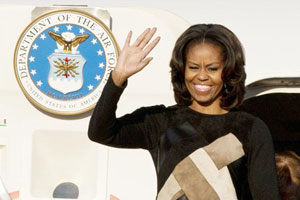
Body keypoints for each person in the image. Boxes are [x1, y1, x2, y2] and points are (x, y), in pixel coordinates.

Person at [88, 24, 281, 200]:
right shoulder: (160, 121)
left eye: (213, 68)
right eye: (193, 67)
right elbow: (101, 132)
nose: (202, 76)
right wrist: (117, 78)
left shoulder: (251, 129)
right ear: (182, 70)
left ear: (229, 71)